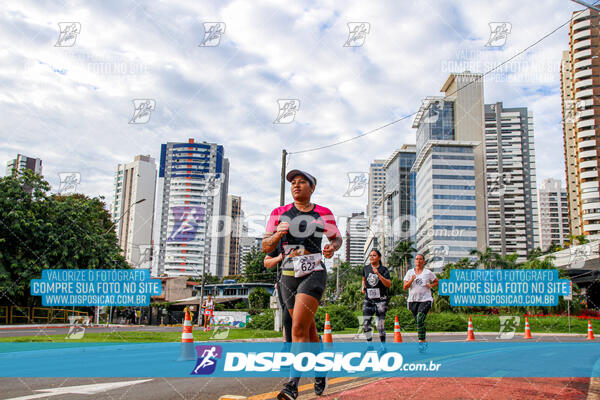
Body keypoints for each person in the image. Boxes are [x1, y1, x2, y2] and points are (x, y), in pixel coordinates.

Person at [262, 169, 342, 400]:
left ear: (312, 187)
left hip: (313, 270)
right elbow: (266, 247)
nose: (296, 186)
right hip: (288, 273)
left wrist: (332, 247)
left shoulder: (323, 212)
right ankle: (320, 368)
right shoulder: (279, 213)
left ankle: (291, 385)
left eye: (302, 182)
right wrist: (277, 236)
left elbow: (336, 238)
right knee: (308, 329)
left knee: (297, 327)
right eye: (293, 183)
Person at [403, 254, 438, 352]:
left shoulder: (428, 272)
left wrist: (431, 285)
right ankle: (424, 340)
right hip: (413, 300)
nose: (418, 261)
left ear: (424, 261)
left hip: (426, 300)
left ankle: (421, 342)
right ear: (415, 261)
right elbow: (405, 287)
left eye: (420, 259)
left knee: (420, 318)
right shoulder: (410, 272)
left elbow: (436, 281)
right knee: (419, 322)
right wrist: (412, 279)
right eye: (417, 259)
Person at [361, 249, 391, 352]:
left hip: (381, 301)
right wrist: (363, 287)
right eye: (370, 255)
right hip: (368, 299)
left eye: (374, 255)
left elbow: (388, 284)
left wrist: (378, 274)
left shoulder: (384, 269)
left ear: (379, 257)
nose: (371, 257)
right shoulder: (366, 268)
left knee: (380, 325)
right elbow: (364, 279)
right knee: (365, 323)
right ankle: (369, 345)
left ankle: (383, 346)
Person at [264, 247, 293, 347]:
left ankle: (313, 341)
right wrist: (279, 257)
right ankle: (286, 345)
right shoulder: (280, 238)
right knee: (287, 316)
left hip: (304, 279)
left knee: (301, 316)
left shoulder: (305, 237)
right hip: (284, 281)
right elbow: (267, 262)